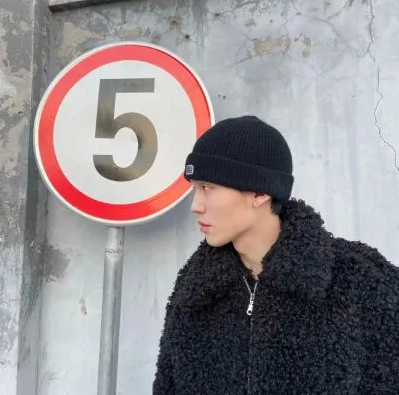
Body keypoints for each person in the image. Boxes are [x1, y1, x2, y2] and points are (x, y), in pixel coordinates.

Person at [152, 116, 399, 395]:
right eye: (194, 188)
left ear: (260, 193)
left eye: (208, 188)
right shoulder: (195, 289)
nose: (195, 205)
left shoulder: (359, 278)